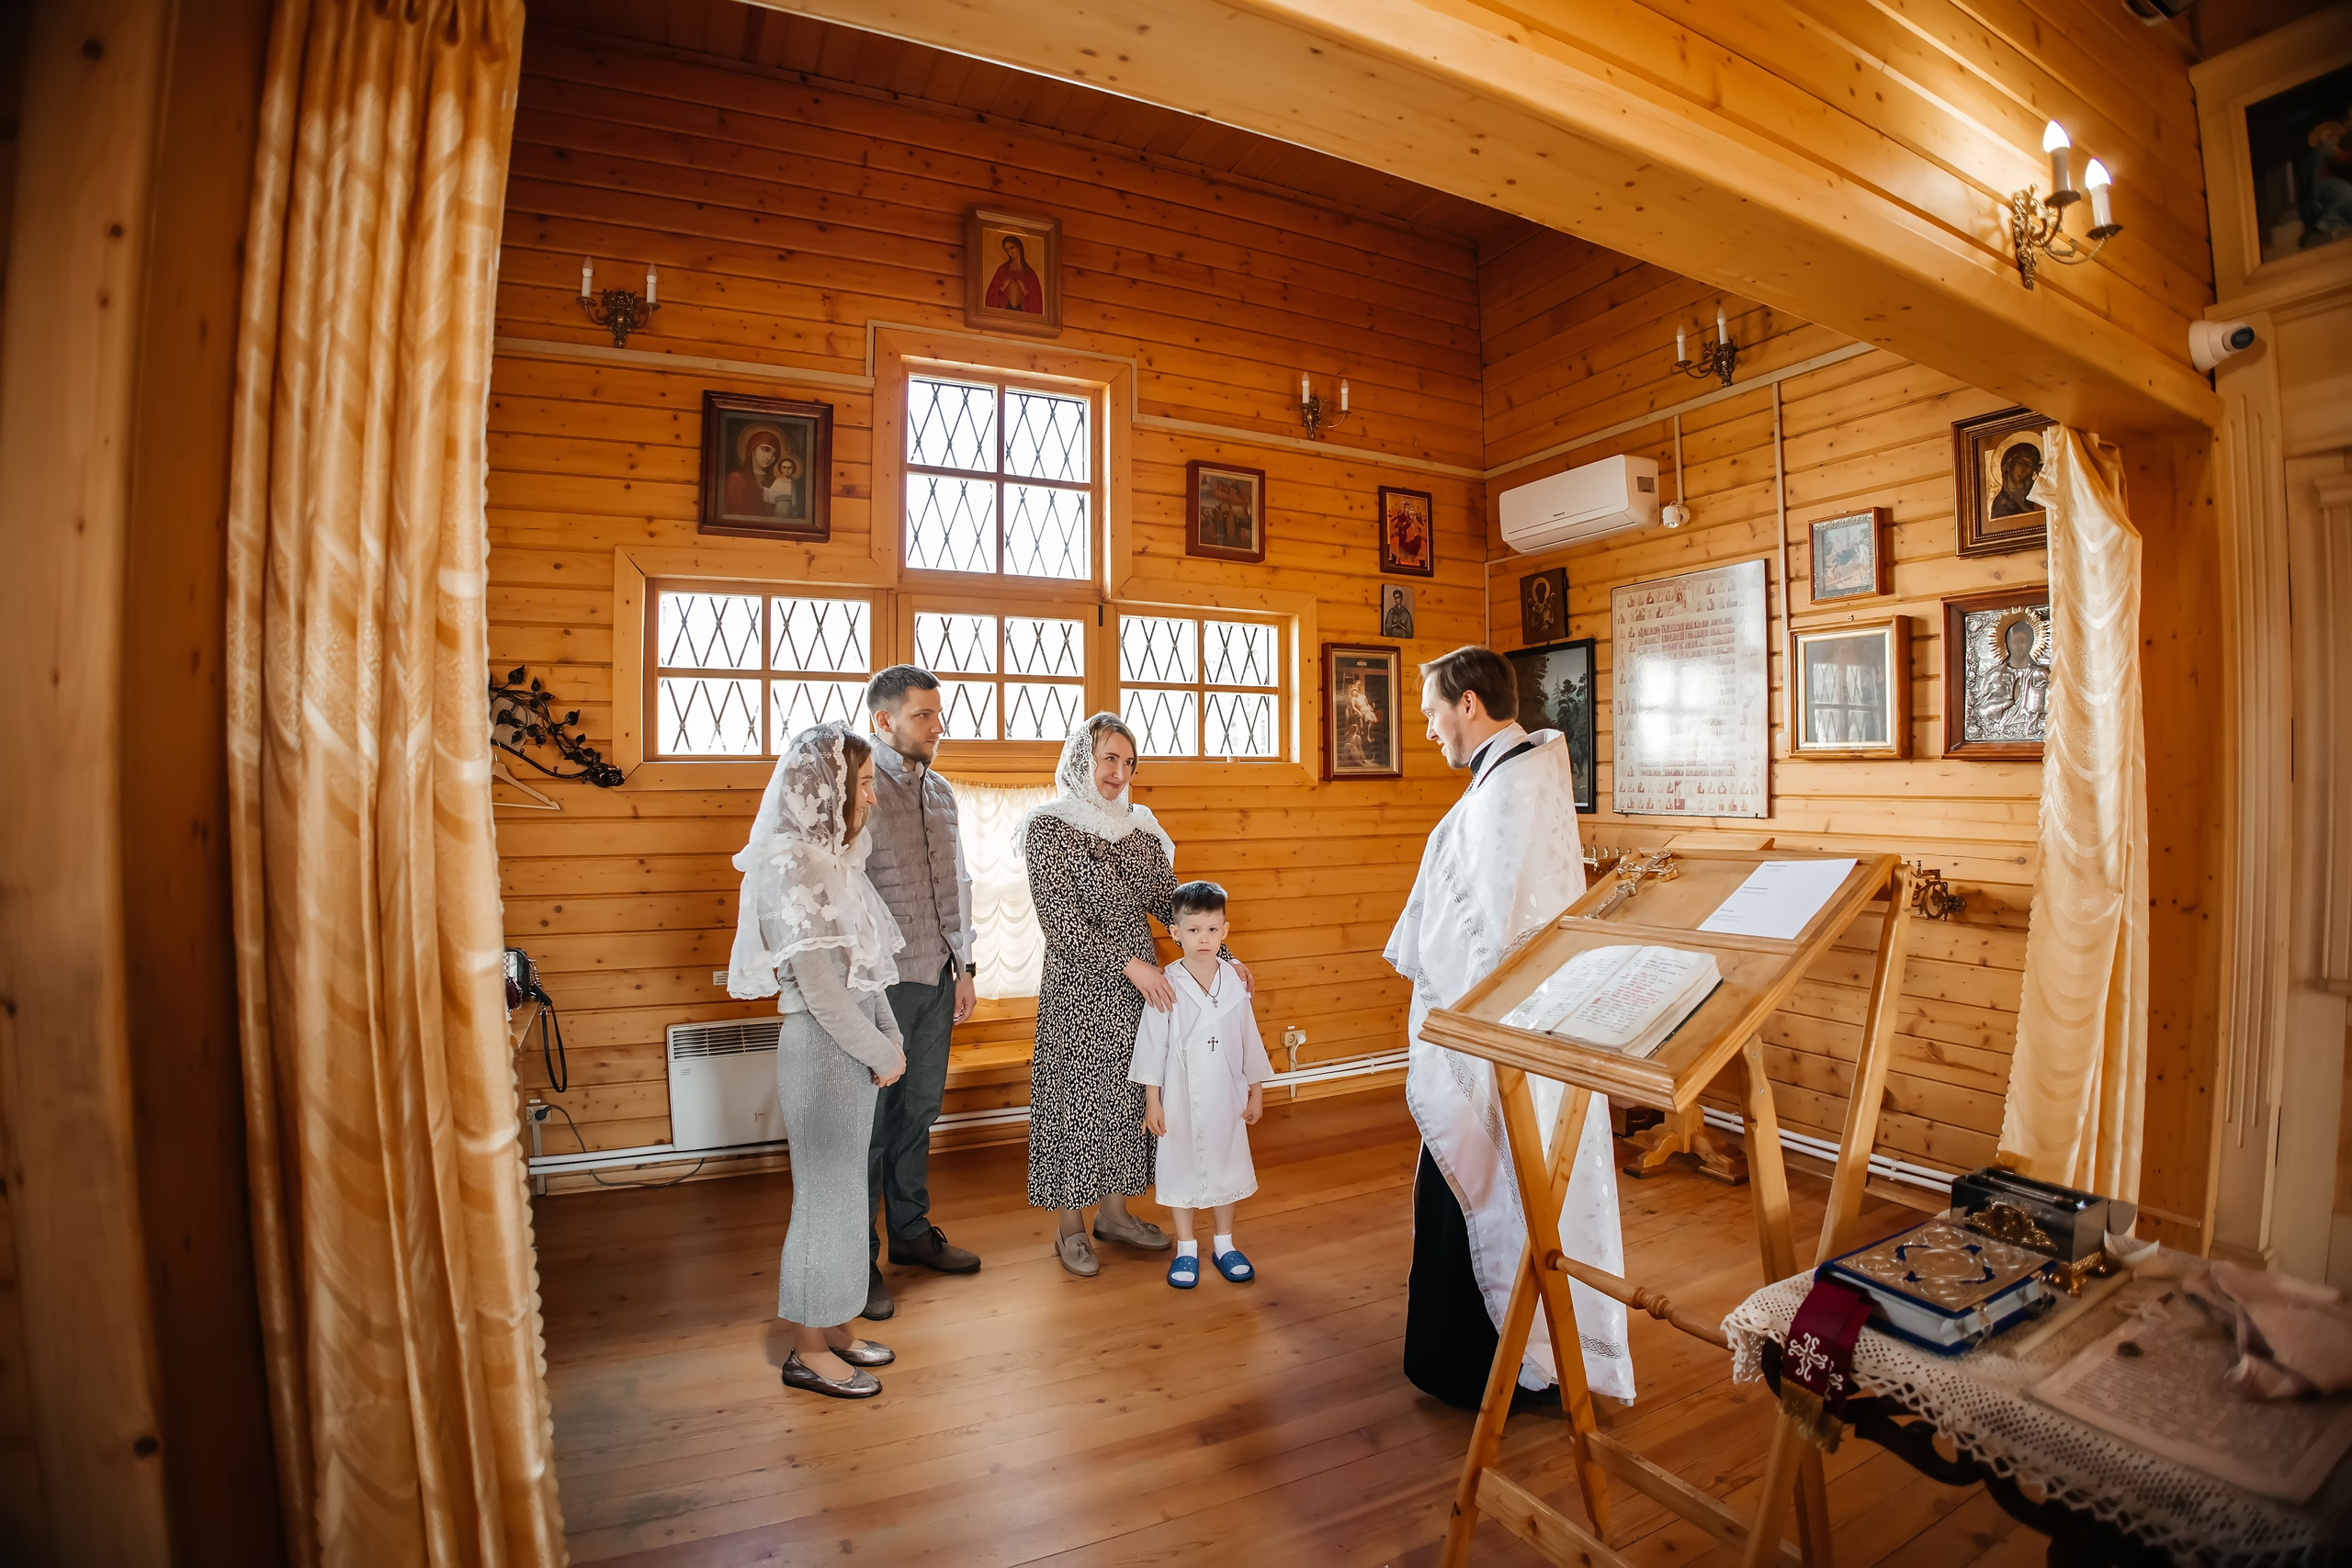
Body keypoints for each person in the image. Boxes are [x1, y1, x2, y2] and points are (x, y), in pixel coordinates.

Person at [1383, 646, 1634, 1412]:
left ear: (1467, 704)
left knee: (1484, 1181)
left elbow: (1486, 931)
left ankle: (1493, 1364)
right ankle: (1521, 1352)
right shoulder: (1530, 768)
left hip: (1505, 1034)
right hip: (1525, 1025)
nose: (1428, 729)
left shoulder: (1508, 789)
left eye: (1431, 712)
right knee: (1482, 1185)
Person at [1018, 714, 1254, 1277]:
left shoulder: (1142, 830)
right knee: (1076, 1104)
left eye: (1128, 763)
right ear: (1082, 758)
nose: (1119, 772)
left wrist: (1224, 957)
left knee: (1131, 1099)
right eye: (1108, 759)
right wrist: (1132, 964)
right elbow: (1060, 919)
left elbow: (1175, 911)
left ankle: (1115, 1215)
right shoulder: (1047, 827)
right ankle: (1070, 1228)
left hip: (1142, 990)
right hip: (1080, 983)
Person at [727, 723, 906, 1401]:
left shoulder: (838, 864)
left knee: (845, 1198)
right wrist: (881, 1050)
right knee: (822, 1201)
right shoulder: (793, 866)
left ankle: (834, 1322)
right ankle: (804, 1349)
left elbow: (866, 974)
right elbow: (823, 990)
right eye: (863, 784)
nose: (873, 797)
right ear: (828, 788)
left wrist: (892, 1040)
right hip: (822, 1052)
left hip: (853, 1051)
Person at [859, 666, 984, 1323]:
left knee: (920, 1112)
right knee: (871, 1128)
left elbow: (958, 883)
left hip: (938, 979)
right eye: (923, 716)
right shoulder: (857, 786)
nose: (939, 727)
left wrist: (966, 966)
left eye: (939, 714)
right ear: (884, 721)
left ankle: (910, 1232)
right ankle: (860, 1262)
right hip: (878, 987)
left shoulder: (941, 793)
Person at [1131, 880, 1274, 1291]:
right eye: (1193, 930)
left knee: (1226, 1161)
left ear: (1225, 932)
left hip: (1225, 1094)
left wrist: (1257, 1091)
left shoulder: (1235, 982)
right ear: (1175, 933)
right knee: (1181, 1166)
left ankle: (1224, 1243)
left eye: (1212, 929)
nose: (1204, 939)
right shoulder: (1166, 984)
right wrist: (1152, 1102)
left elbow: (1249, 1039)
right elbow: (1152, 1047)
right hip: (1178, 1096)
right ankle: (1187, 1247)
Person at [984, 234, 1046, 314]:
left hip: (1023, 311)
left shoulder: (1029, 272)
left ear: (1019, 247)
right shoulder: (1003, 269)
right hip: (1004, 309)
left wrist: (1025, 290)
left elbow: (1036, 298)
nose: (1010, 252)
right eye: (1007, 250)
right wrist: (1003, 287)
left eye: (1012, 247)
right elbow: (991, 293)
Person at [1987, 440, 2044, 520]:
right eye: (2021, 463)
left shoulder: (2035, 497)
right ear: (2008, 465)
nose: (2023, 468)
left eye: (2030, 465)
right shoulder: (2001, 502)